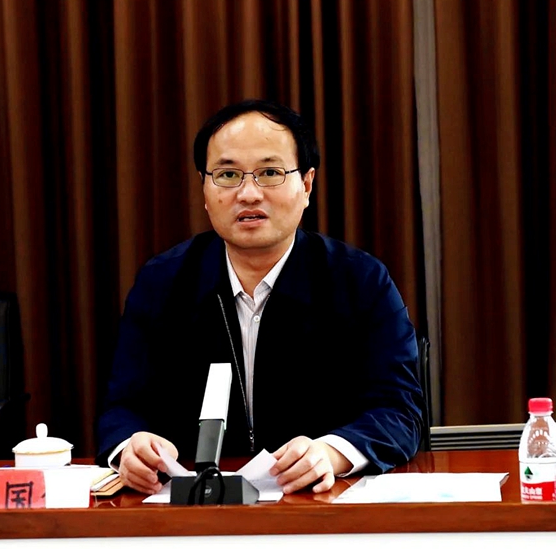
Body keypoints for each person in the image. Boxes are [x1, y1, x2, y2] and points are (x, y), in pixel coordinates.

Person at [97, 99, 424, 495]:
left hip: (319, 505)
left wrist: (331, 452)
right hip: (193, 511)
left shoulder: (359, 280)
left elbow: (400, 411)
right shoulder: (163, 282)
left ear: (306, 184)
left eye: (270, 173)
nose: (249, 194)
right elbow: (122, 408)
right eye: (227, 175)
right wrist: (129, 447)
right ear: (205, 189)